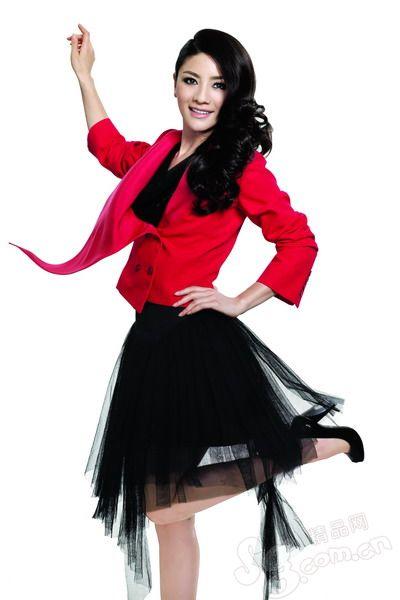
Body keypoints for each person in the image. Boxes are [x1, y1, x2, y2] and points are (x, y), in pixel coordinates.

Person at [9, 25, 365, 600]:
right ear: (174, 84)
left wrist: (237, 301)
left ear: (233, 93)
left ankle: (316, 445)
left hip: (193, 342)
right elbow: (109, 148)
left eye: (217, 85)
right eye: (191, 80)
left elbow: (299, 242)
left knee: (162, 505)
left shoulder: (241, 165)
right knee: (170, 517)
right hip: (148, 338)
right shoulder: (161, 149)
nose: (201, 95)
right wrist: (85, 76)